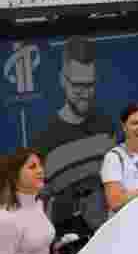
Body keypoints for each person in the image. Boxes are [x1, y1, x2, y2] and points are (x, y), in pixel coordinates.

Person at [31, 36, 116, 240]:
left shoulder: (107, 128)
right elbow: (34, 206)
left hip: (108, 238)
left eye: (89, 85)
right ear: (62, 79)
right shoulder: (44, 140)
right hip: (66, 246)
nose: (84, 93)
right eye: (77, 84)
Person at [0, 148, 58, 254]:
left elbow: (37, 250)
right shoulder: (6, 218)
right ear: (14, 176)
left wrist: (59, 247)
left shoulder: (39, 205)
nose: (40, 171)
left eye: (40, 165)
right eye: (32, 167)